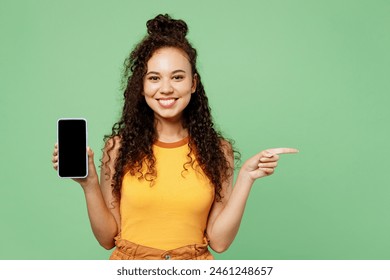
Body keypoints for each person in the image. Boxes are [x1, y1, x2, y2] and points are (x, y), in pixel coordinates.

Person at [51, 14, 298, 260]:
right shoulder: (118, 148)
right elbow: (107, 238)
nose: (166, 88)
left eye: (177, 77)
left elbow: (220, 242)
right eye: (154, 78)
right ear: (142, 86)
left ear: (193, 83)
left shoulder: (217, 150)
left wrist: (246, 177)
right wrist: (89, 183)